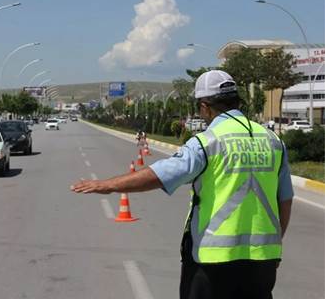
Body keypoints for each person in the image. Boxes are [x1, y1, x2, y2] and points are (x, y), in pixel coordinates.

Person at [71, 70, 293, 299]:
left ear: (205, 106)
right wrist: (273, 246)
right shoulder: (273, 141)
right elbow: (285, 200)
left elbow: (160, 174)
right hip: (263, 262)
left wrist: (107, 185)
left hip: (213, 262)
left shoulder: (207, 142)